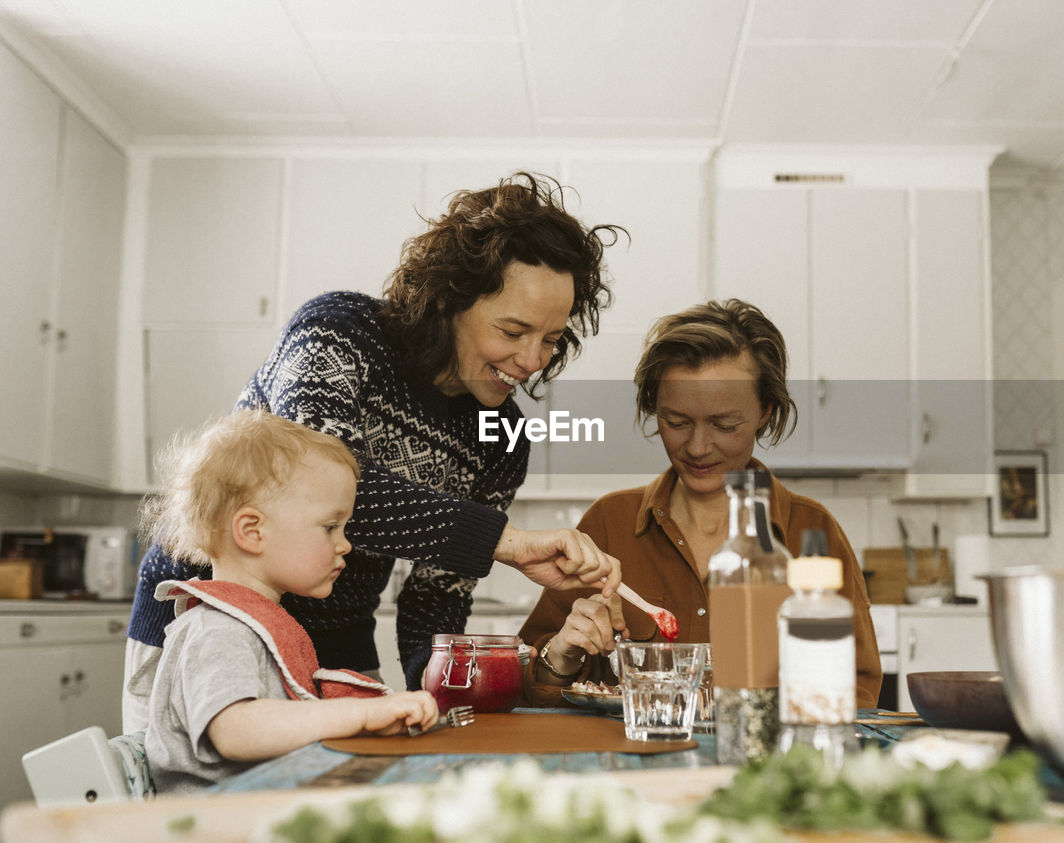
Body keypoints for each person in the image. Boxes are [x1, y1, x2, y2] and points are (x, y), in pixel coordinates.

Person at [125, 172, 625, 731]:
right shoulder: (339, 335)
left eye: (552, 338)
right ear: (450, 300)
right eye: (513, 331)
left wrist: (438, 695)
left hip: (337, 635)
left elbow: (435, 600)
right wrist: (506, 542)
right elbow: (313, 497)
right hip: (211, 617)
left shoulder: (500, 437)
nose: (532, 360)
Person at [519, 299, 882, 708]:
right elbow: (531, 689)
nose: (697, 447)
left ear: (765, 410)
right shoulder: (608, 524)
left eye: (724, 425)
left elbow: (857, 689)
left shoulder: (813, 532)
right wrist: (562, 655)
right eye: (676, 422)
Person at [141, 410, 439, 794]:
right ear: (252, 531)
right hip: (216, 825)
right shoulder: (216, 630)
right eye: (330, 527)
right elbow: (236, 731)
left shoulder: (256, 621)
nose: (345, 543)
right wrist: (359, 714)